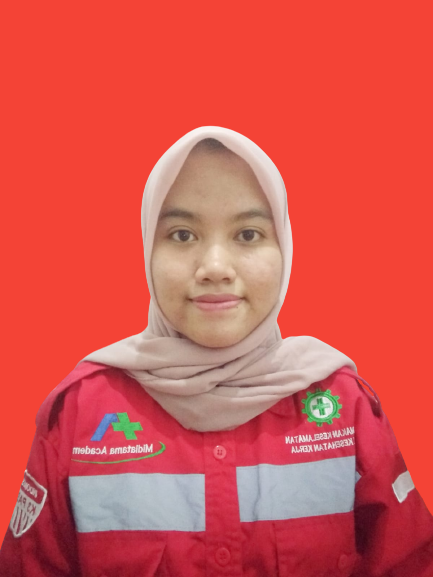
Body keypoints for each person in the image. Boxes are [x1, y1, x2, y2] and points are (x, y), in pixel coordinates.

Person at [1, 127, 432, 576]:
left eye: (247, 234)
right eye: (182, 235)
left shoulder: (344, 406)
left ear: (285, 248)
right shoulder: (80, 412)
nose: (215, 268)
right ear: (147, 248)